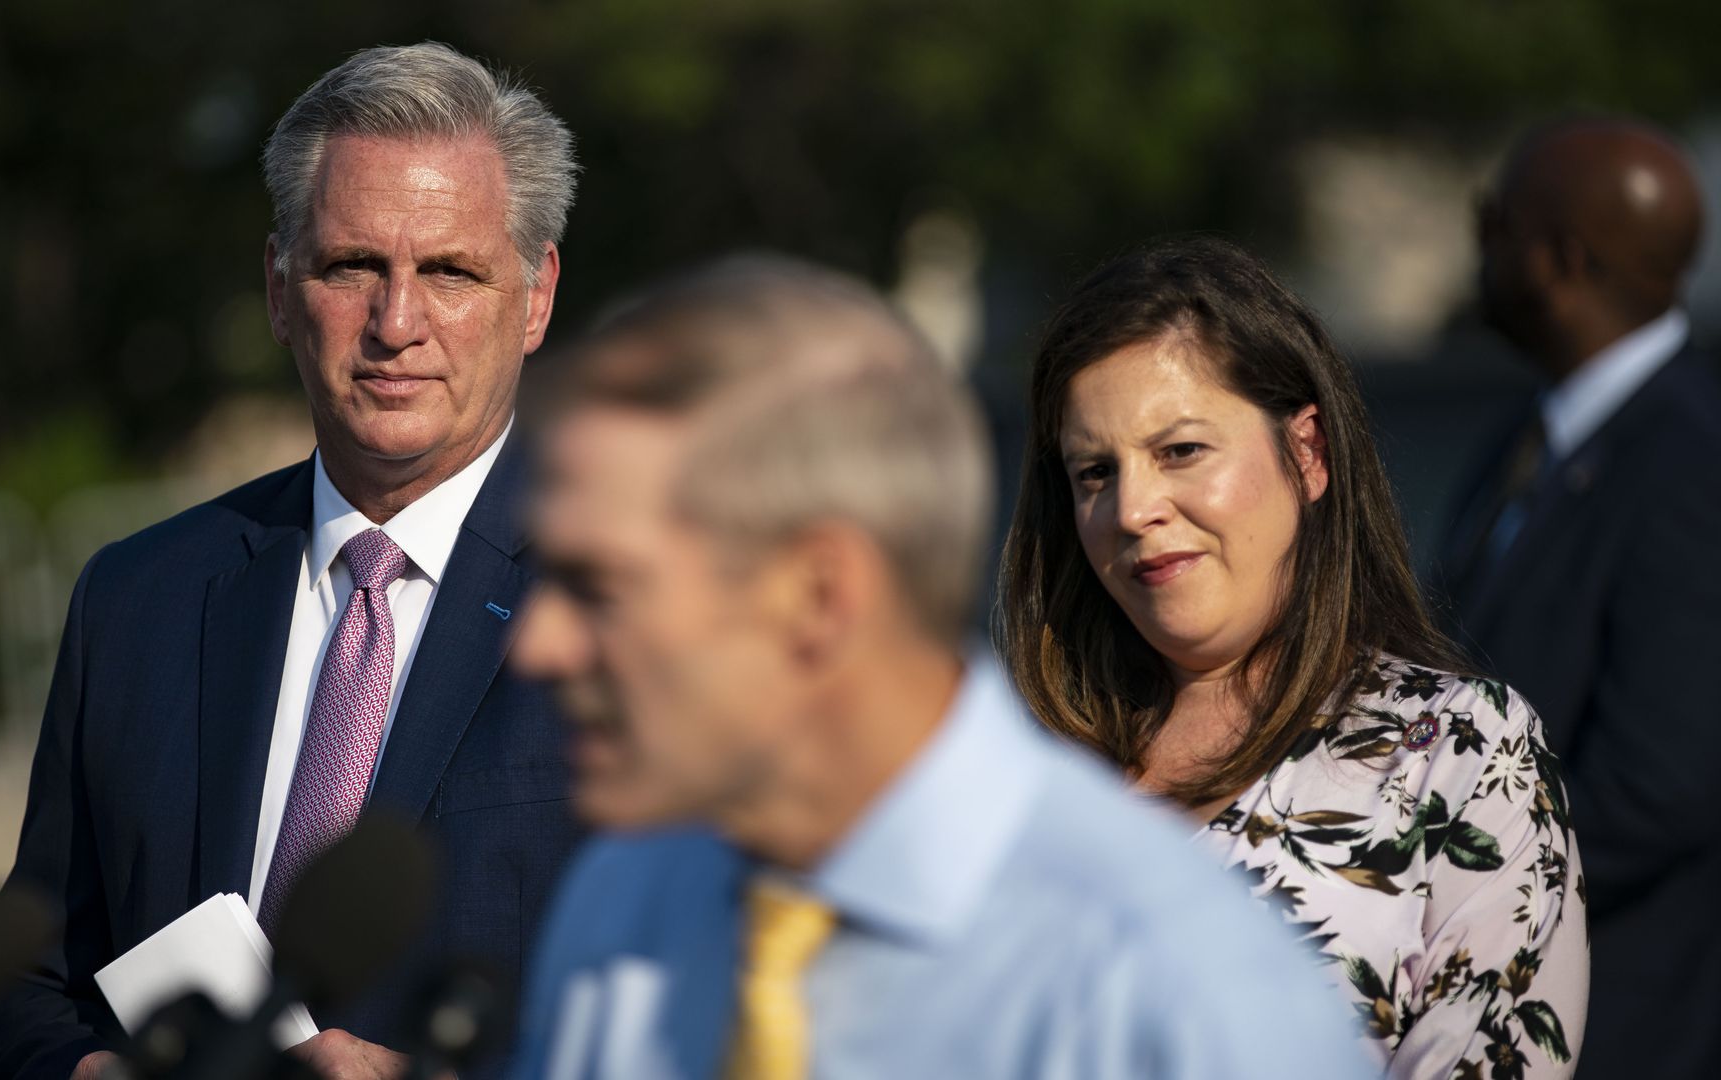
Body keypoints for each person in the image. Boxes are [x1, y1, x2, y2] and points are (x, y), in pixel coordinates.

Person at [506, 255, 1373, 1080]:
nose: (536, 643)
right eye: (1094, 471)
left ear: (819, 596)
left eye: (599, 587)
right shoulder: (624, 905)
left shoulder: (1168, 985)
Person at [0, 43, 585, 1080]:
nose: (398, 323)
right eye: (353, 266)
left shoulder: (626, 602)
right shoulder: (137, 600)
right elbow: (31, 985)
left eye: (450, 271)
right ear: (277, 287)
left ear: (533, 298)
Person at [998, 235, 1588, 1078]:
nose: (1132, 508)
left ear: (1306, 453)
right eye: (1094, 471)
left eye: (1180, 451)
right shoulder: (1020, 776)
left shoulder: (1455, 754)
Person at [1441, 117, 1721, 1079]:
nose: (1475, 244)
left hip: (1620, 1025)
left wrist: (1436, 871)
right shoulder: (1530, 432)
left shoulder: (1691, 460)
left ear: (1558, 260)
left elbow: (1662, 784)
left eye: (1494, 222)